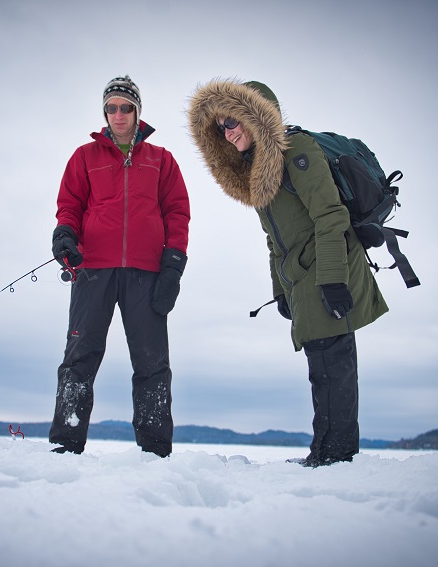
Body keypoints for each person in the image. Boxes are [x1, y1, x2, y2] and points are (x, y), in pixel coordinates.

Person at [187, 79, 388, 467]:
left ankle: (335, 456)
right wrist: (280, 290)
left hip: (329, 266)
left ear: (255, 116)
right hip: (303, 276)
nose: (228, 132)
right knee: (321, 365)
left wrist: (333, 279)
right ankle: (326, 452)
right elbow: (274, 239)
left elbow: (330, 216)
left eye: (233, 121)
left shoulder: (298, 150)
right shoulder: (259, 171)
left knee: (333, 362)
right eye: (222, 127)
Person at [48, 75, 190, 458]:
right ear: (105, 113)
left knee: (152, 362)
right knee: (79, 357)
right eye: (111, 108)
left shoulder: (162, 160)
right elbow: (69, 206)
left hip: (147, 273)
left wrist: (173, 265)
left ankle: (154, 450)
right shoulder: (84, 157)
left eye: (126, 107)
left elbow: (177, 213)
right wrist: (64, 235)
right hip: (93, 269)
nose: (119, 114)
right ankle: (67, 442)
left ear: (137, 111)